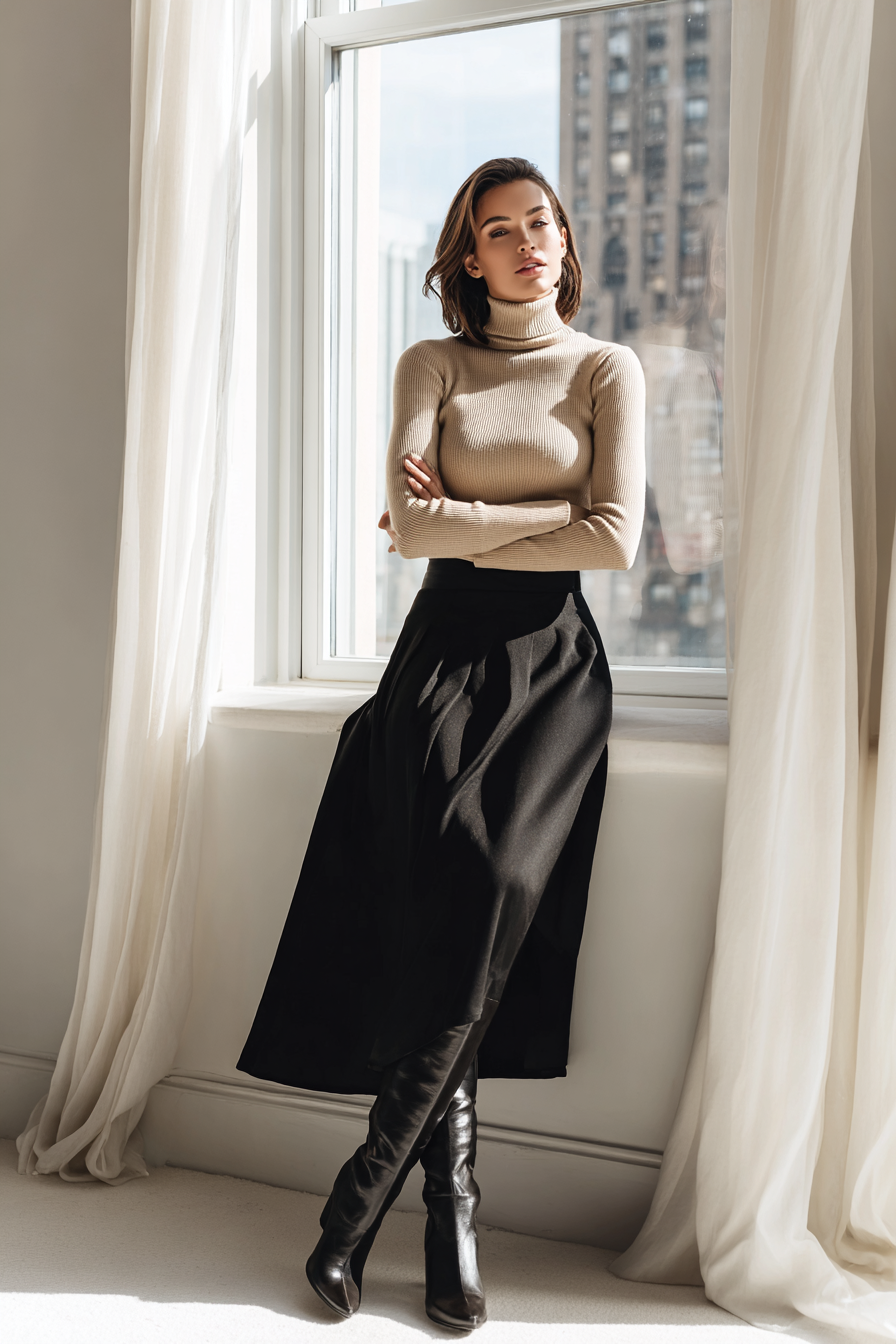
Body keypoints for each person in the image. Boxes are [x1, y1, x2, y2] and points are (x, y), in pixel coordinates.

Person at [237, 156, 646, 1331]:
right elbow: (411, 533)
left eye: (540, 223)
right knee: (442, 927)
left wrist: (463, 522)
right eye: (497, 230)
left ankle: (352, 1210)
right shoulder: (435, 364)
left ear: (562, 240)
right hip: (436, 667)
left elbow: (612, 544)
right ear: (467, 255)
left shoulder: (603, 369)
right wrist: (532, 521)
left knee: (492, 886)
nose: (526, 243)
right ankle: (451, 1215)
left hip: (551, 671)